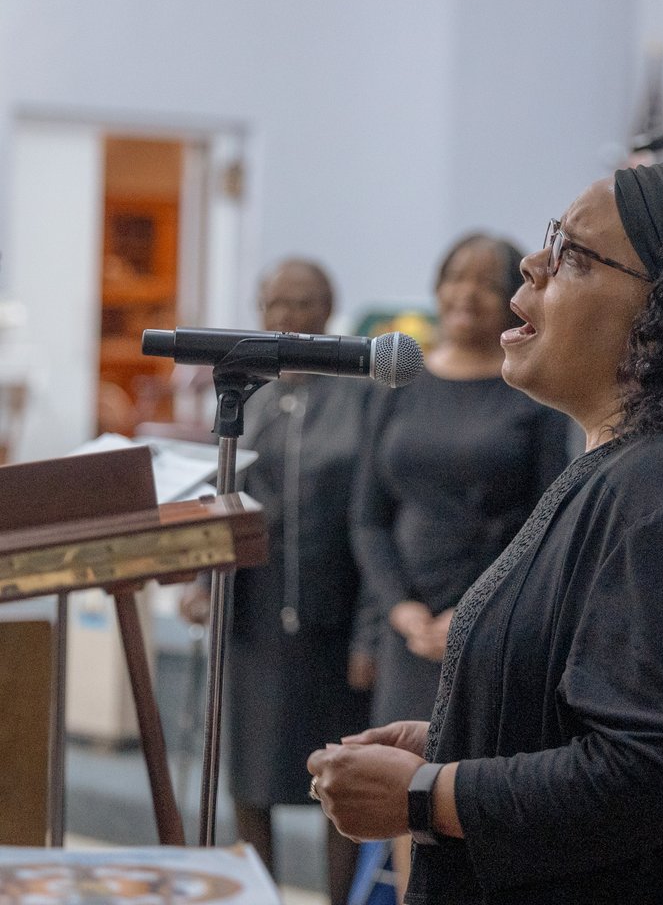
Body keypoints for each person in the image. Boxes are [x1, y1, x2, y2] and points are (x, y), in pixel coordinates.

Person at [310, 162, 663, 905]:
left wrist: (430, 794)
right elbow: (595, 715)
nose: (532, 262)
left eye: (576, 255)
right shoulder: (627, 471)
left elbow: (654, 770)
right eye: (553, 240)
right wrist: (461, 739)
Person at [180, 259, 377, 905]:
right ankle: (256, 895)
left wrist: (371, 634)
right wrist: (203, 584)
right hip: (255, 619)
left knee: (340, 779)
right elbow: (223, 495)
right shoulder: (247, 395)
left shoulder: (362, 394)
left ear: (329, 311)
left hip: (336, 619)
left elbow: (375, 514)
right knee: (252, 778)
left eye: (304, 303)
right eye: (277, 304)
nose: (289, 317)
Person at [353, 233, 572, 726]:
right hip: (408, 625)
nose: (466, 294)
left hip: (495, 623)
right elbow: (368, 518)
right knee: (394, 781)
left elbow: (547, 522)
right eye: (455, 279)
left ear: (514, 301)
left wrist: (474, 612)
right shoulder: (397, 385)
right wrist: (400, 607)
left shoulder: (533, 392)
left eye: (486, 284)